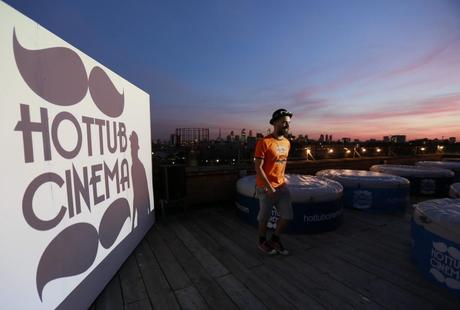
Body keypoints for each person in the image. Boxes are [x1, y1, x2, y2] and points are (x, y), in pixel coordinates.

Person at [254, 108, 293, 255]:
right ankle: (262, 241)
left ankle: (275, 239)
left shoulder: (288, 143)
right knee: (264, 217)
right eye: (283, 122)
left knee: (287, 216)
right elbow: (258, 167)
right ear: (275, 122)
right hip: (265, 187)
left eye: (288, 122)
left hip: (281, 186)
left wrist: (280, 181)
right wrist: (269, 187)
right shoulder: (264, 142)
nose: (286, 125)